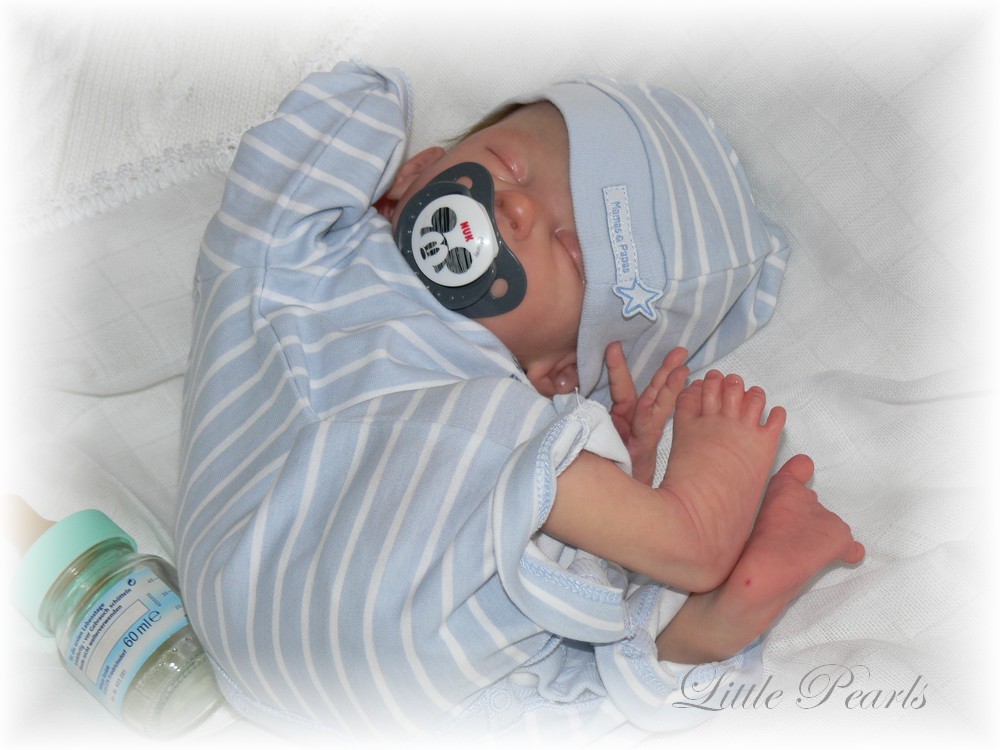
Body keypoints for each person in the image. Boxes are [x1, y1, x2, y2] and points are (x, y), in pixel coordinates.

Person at [176, 61, 863, 741]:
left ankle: (696, 633)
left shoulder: (500, 403)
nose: (517, 207)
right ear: (416, 170)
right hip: (280, 594)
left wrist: (616, 469)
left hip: (319, 669)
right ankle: (685, 531)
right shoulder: (300, 247)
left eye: (573, 254)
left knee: (557, 615)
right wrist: (380, 107)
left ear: (559, 373)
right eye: (507, 164)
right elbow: (318, 127)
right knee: (503, 452)